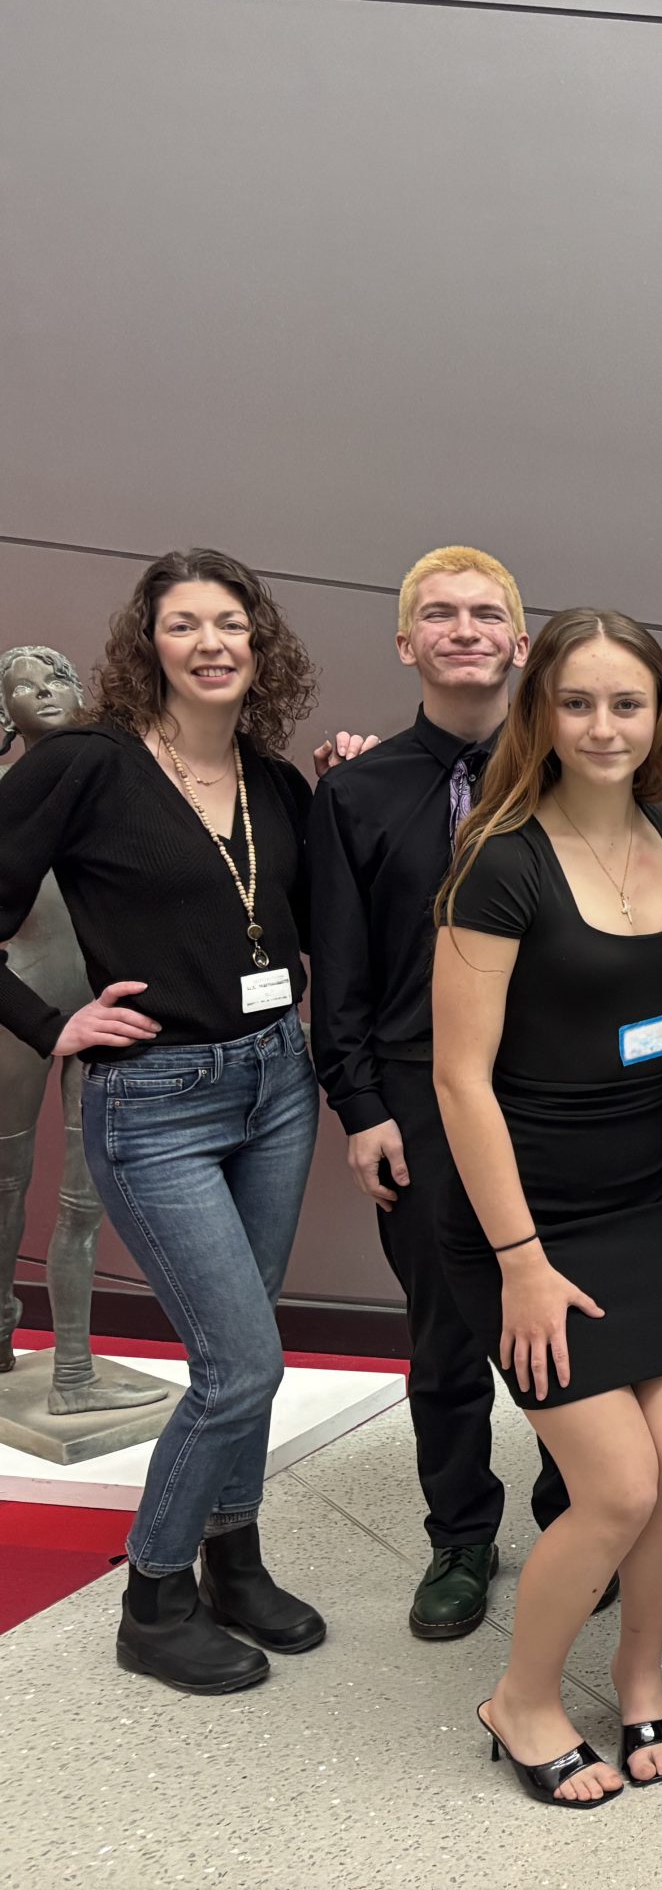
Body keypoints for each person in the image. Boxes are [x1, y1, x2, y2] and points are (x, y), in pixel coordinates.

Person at [0, 549, 325, 1696]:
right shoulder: (86, 763)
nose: (209, 643)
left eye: (229, 622)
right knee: (240, 1365)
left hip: (279, 1086)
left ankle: (233, 1558)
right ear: (148, 646)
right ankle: (154, 1595)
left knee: (251, 1358)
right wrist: (51, 1027)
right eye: (181, 624)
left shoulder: (276, 782)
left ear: (259, 643)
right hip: (159, 1104)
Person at [432, 610, 662, 1806]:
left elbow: (639, 1001)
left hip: (648, 1191)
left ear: (660, 716)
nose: (605, 725)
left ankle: (639, 1673)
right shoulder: (500, 861)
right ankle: (523, 1700)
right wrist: (522, 1263)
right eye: (581, 702)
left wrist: (658, 1071)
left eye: (629, 703)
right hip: (527, 1221)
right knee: (617, 1487)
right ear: (542, 713)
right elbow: (458, 1074)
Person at [306, 547, 532, 1641]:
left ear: (518, 643)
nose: (463, 629)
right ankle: (460, 1536)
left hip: (548, 1090)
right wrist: (360, 1111)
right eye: (438, 615)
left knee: (564, 1307)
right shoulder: (354, 791)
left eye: (486, 613)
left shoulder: (567, 778)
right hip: (413, 1095)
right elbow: (334, 970)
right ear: (407, 644)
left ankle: (577, 1505)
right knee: (444, 1336)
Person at [0, 644, 167, 1416]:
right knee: (4, 1183)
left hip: (98, 1010)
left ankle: (72, 1372)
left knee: (81, 1197)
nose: (49, 689)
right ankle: (2, 1339)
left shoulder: (108, 786)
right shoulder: (12, 795)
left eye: (59, 674)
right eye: (27, 684)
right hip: (20, 1009)